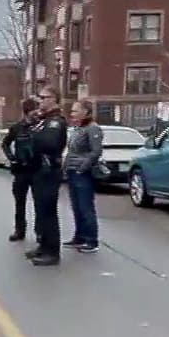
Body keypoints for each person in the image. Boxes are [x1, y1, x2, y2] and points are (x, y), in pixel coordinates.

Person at [25, 86, 68, 266]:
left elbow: (49, 143)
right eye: (40, 97)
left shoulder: (56, 122)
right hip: (38, 170)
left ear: (54, 99)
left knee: (48, 212)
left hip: (48, 170)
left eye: (44, 97)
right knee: (40, 211)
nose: (40, 100)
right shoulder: (44, 120)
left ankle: (52, 251)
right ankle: (43, 245)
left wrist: (35, 134)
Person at [63, 98, 103, 253]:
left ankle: (91, 240)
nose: (72, 113)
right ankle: (79, 237)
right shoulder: (77, 128)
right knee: (77, 207)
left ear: (85, 112)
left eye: (75, 110)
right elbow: (71, 151)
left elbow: (96, 151)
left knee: (86, 207)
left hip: (83, 173)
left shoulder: (93, 128)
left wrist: (82, 168)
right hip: (72, 171)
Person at [1, 98, 39, 242]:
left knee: (38, 203)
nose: (36, 113)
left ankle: (40, 232)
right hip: (21, 170)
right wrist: (12, 158)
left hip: (36, 169)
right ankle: (19, 230)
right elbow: (5, 144)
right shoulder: (17, 128)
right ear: (27, 112)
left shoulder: (40, 127)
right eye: (34, 111)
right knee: (20, 202)